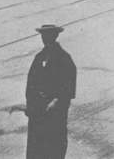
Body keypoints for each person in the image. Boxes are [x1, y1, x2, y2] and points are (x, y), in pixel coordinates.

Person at [25, 24, 76, 159]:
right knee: (36, 146)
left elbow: (69, 86)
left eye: (48, 35)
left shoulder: (64, 58)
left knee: (54, 145)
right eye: (43, 35)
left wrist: (57, 101)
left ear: (55, 36)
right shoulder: (39, 57)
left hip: (55, 111)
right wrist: (30, 105)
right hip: (38, 110)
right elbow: (30, 83)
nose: (45, 38)